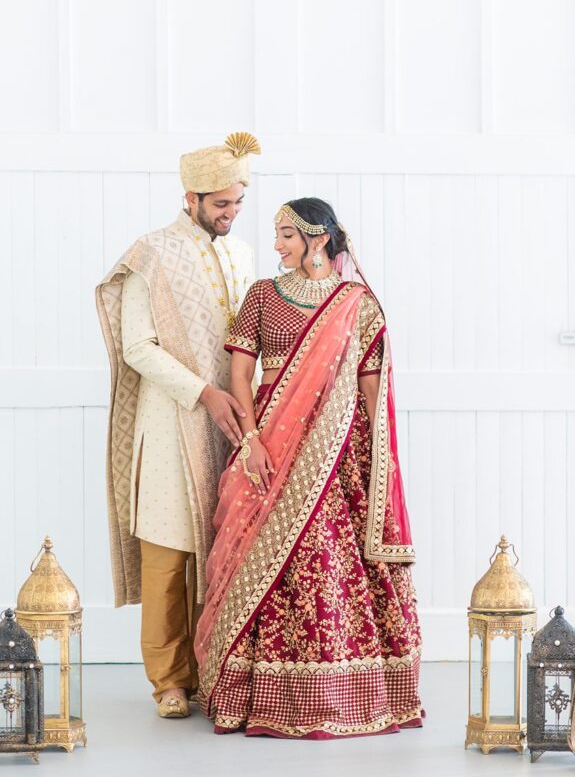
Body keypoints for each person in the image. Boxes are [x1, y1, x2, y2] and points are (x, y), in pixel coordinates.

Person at [194, 198, 422, 738]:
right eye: (276, 235)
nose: (276, 245)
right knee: (256, 551)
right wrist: (249, 439)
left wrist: (374, 463)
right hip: (269, 440)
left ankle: (342, 689)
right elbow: (241, 375)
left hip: (337, 450)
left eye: (286, 236)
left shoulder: (358, 304)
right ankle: (253, 690)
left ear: (318, 239)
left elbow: (370, 389)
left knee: (329, 556)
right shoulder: (262, 297)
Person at [96, 132, 259, 719]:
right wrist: (203, 393)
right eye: (221, 204)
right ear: (189, 197)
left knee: (226, 550)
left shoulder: (242, 256)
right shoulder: (152, 254)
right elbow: (137, 346)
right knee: (168, 553)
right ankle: (168, 679)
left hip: (230, 421)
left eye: (239, 202)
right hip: (170, 421)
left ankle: (216, 670)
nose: (231, 214)